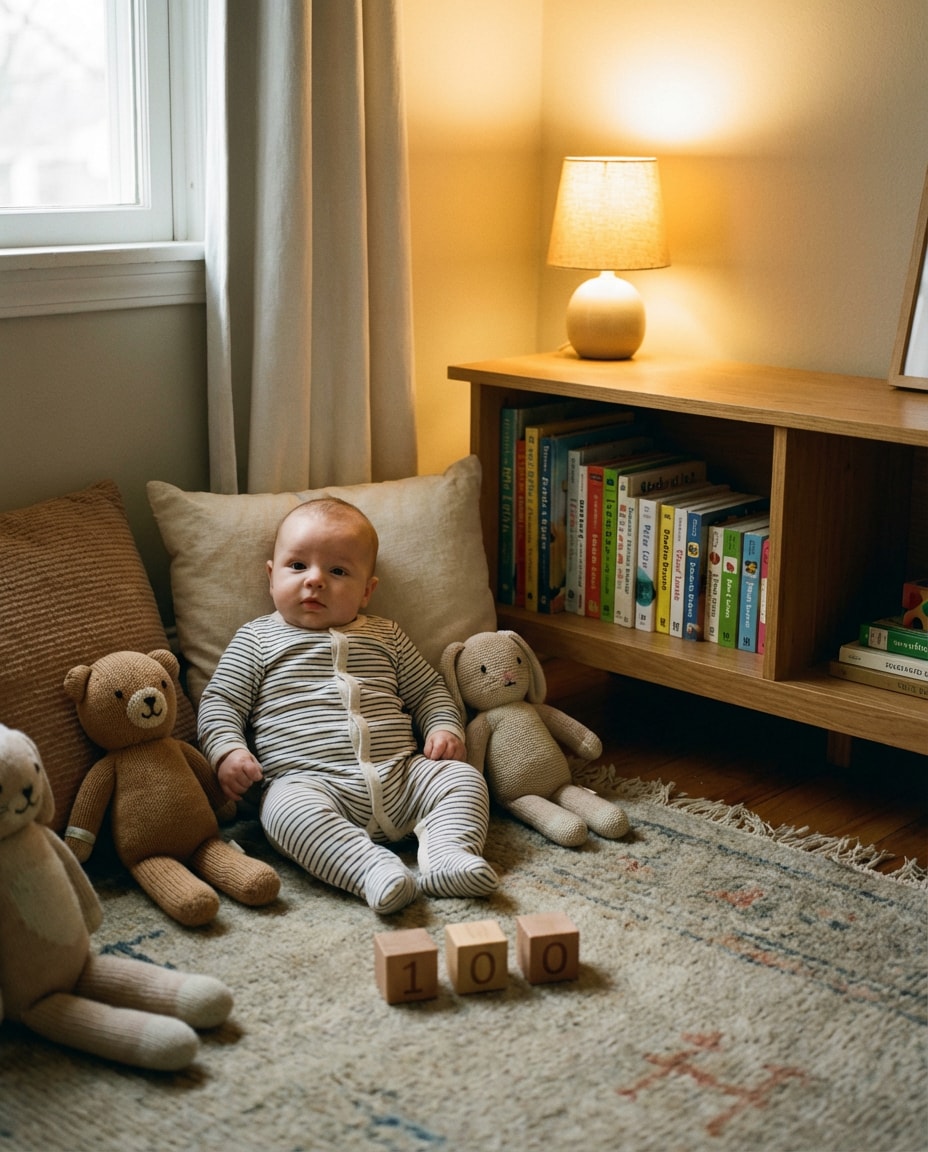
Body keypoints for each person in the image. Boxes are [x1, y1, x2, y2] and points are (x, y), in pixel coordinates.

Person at [197, 496, 498, 915]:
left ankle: (448, 854)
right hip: (310, 784)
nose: (315, 580)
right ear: (271, 577)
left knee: (461, 780)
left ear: (366, 591)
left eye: (338, 571)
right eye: (298, 566)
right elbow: (220, 702)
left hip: (402, 777)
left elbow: (428, 689)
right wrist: (228, 750)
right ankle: (369, 870)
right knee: (282, 813)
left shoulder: (386, 636)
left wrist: (444, 728)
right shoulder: (257, 639)